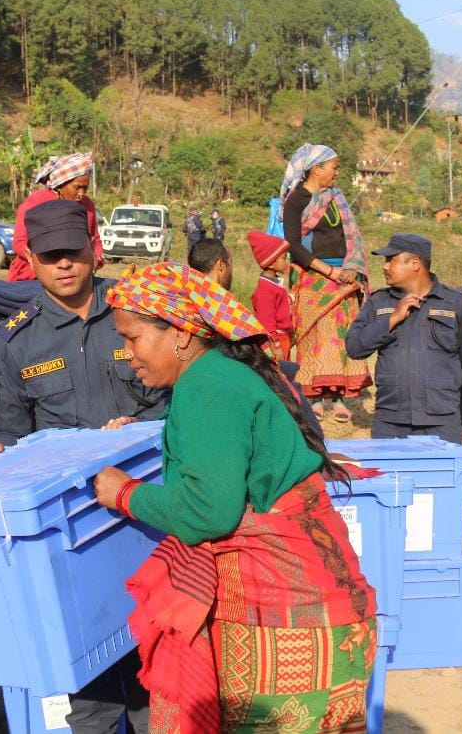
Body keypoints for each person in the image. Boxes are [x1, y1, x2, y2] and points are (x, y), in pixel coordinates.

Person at [92, 263, 375, 733]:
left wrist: (124, 494)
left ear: (181, 334)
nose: (127, 354)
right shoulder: (224, 374)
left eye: (133, 338)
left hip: (287, 621)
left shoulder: (207, 385)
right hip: (319, 608)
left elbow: (209, 512)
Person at [0, 200, 165, 733]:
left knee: (161, 677)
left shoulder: (138, 314)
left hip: (151, 517)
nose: (63, 264)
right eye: (50, 255)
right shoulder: (18, 340)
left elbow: (183, 394)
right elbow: (3, 434)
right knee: (90, 692)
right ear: (30, 260)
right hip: (73, 534)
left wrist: (140, 426)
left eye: (73, 251)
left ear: (93, 249)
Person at [347, 233, 462, 448]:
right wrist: (392, 319)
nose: (385, 266)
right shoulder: (379, 302)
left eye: (391, 260)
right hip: (391, 420)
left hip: (442, 420)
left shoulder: (456, 303)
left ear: (415, 264)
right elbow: (354, 347)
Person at [279, 142, 371, 423]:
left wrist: (350, 268)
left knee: (342, 336)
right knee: (314, 337)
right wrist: (328, 272)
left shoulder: (336, 196)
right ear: (316, 169)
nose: (336, 172)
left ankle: (338, 396)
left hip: (344, 275)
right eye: (333, 167)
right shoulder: (296, 201)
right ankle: (315, 397)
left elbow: (351, 236)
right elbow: (294, 245)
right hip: (313, 276)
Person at [8, 151, 104, 281]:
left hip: (75, 276)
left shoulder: (87, 205)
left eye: (85, 188)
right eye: (77, 187)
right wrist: (49, 260)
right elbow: (19, 243)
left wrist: (96, 257)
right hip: (32, 277)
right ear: (60, 184)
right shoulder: (35, 203)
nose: (81, 193)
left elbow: (95, 239)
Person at [247, 230, 295, 362]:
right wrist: (276, 346)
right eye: (284, 258)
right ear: (271, 263)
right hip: (277, 341)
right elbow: (267, 324)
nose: (287, 261)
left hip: (283, 338)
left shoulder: (273, 284)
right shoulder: (265, 292)